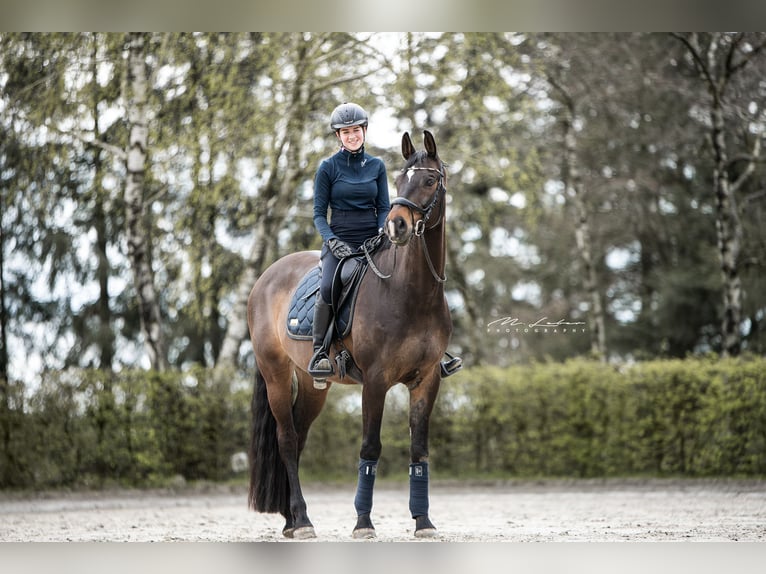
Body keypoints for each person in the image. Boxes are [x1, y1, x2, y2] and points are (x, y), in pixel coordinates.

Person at [308, 102, 391, 384]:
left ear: (364, 131)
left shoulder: (378, 166)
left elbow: (383, 207)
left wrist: (382, 229)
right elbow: (319, 214)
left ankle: (428, 349)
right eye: (346, 132)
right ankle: (319, 352)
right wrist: (331, 241)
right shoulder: (328, 168)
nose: (352, 135)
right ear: (338, 136)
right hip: (340, 239)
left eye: (356, 130)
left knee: (406, 273)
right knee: (329, 285)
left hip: (373, 238)